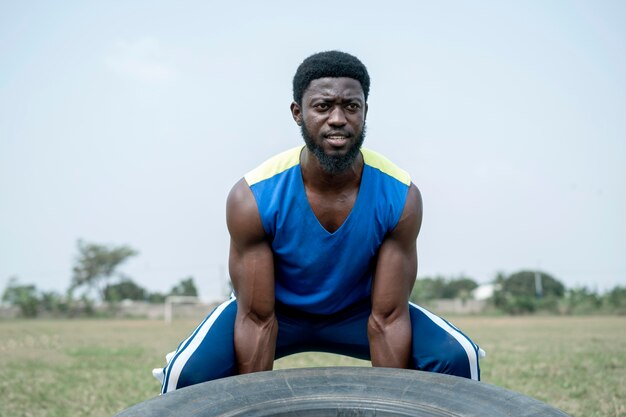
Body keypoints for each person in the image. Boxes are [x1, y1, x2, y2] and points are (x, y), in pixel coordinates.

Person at [154, 51, 483, 394]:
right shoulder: (253, 196)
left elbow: (388, 318)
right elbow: (257, 319)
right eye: (323, 106)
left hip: (359, 311)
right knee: (184, 373)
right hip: (274, 312)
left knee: (457, 355)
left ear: (365, 111)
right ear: (298, 113)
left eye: (351, 107)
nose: (338, 118)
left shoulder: (399, 195)